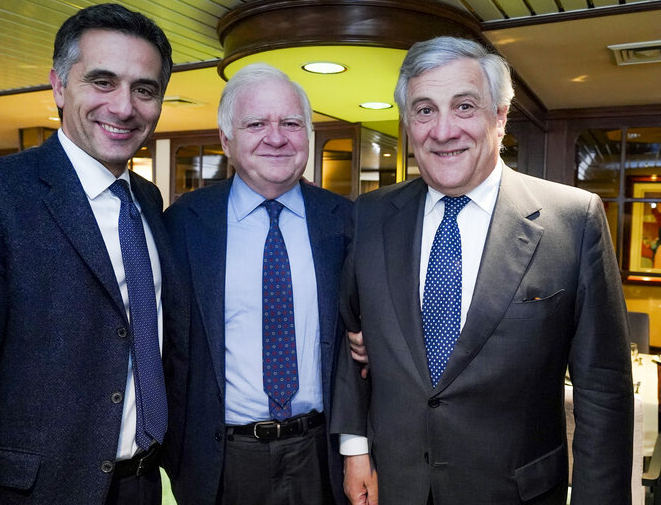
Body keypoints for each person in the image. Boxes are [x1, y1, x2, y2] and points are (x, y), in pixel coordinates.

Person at [331, 36, 633, 505]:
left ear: (500, 116)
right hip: (396, 488)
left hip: (517, 493)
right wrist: (354, 449)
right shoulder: (369, 217)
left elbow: (604, 395)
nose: (444, 130)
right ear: (408, 123)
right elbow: (350, 339)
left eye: (465, 106)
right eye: (424, 110)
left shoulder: (573, 221)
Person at [0, 4, 174, 505]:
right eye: (102, 81)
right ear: (58, 86)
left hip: (142, 486)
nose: (124, 106)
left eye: (144, 89)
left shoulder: (147, 202)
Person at [163, 63, 350, 505]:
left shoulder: (348, 223)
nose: (277, 137)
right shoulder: (182, 226)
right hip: (221, 462)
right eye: (256, 124)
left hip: (322, 456)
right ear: (227, 139)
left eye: (291, 123)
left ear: (308, 134)